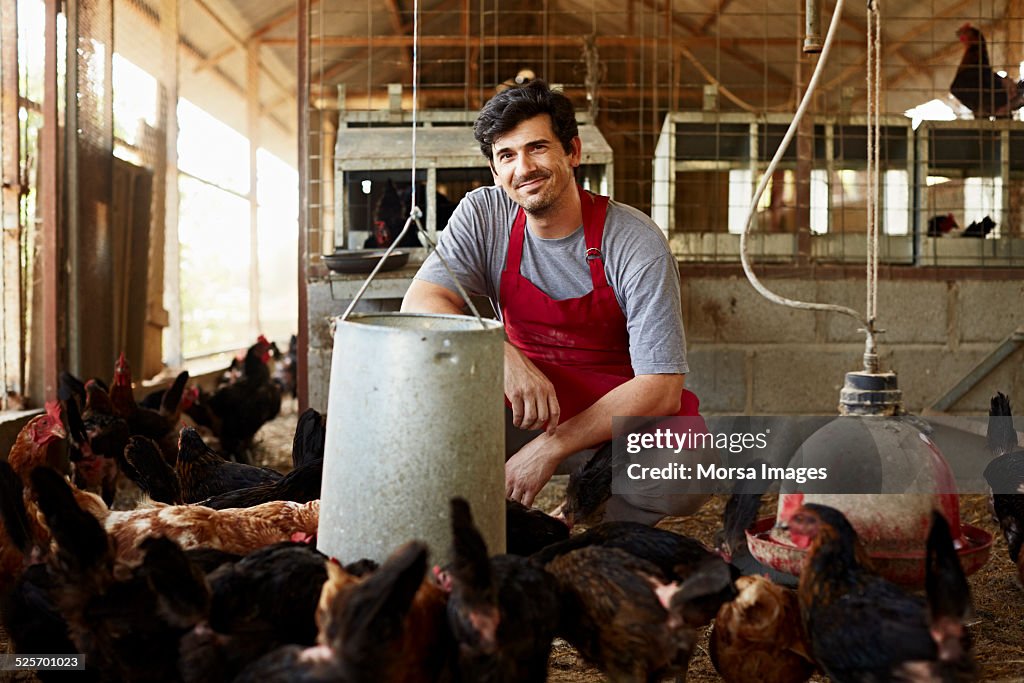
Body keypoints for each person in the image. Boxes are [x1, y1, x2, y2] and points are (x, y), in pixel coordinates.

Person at [402, 80, 709, 518]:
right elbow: (422, 301)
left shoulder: (634, 241)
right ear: (494, 171)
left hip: (613, 415)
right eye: (506, 155)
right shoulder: (483, 214)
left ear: (573, 152)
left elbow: (660, 387)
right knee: (421, 419)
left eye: (538, 148)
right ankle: (484, 529)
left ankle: (594, 518)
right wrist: (500, 353)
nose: (523, 167)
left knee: (683, 475)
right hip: (525, 406)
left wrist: (551, 447)